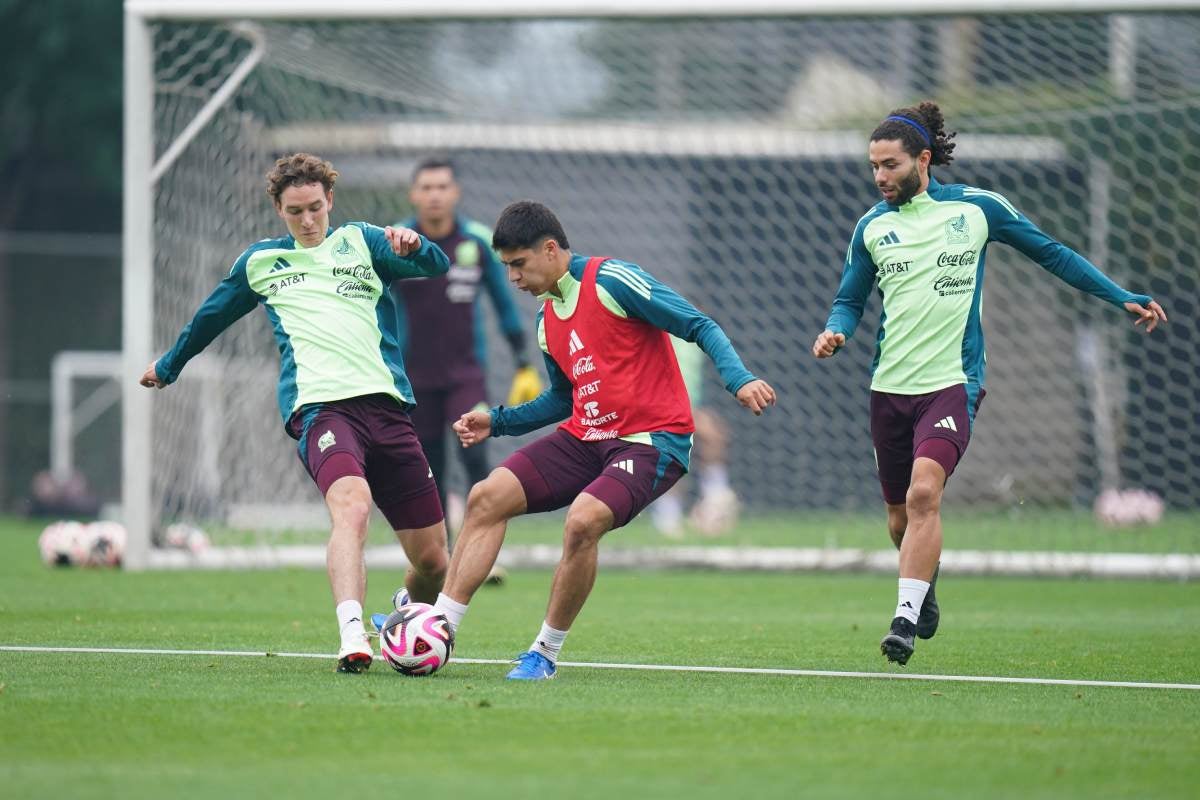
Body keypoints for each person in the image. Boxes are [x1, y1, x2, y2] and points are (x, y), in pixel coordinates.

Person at [811, 101, 1168, 667]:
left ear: (923, 160)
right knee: (900, 518)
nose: (879, 177)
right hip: (889, 388)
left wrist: (1119, 295)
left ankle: (903, 620)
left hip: (953, 382)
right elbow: (849, 298)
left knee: (925, 494)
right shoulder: (872, 227)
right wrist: (835, 331)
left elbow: (1052, 254)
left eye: (890, 165)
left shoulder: (978, 209)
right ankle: (924, 582)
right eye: (874, 166)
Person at [429, 200, 776, 681]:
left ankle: (544, 653)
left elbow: (699, 324)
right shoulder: (546, 318)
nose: (512, 277)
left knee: (582, 521)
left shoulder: (612, 280)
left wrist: (737, 379)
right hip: (586, 436)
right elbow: (562, 400)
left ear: (550, 250)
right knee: (486, 497)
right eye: (506, 266)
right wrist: (498, 421)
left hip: (650, 442)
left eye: (518, 264)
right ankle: (438, 627)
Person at [139, 153, 453, 674]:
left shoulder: (365, 242)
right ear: (278, 210)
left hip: (388, 409)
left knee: (433, 561)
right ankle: (352, 634)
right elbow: (210, 317)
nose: (307, 220)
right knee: (351, 507)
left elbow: (437, 267)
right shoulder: (261, 262)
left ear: (330, 200)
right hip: (321, 411)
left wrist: (417, 244)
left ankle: (400, 614)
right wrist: (169, 366)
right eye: (294, 212)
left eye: (314, 208)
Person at [391, 158, 541, 536]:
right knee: (429, 469)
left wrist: (524, 361)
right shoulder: (395, 244)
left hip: (466, 375)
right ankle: (442, 556)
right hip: (413, 379)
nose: (435, 195)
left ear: (455, 192)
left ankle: (483, 548)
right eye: (427, 188)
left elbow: (504, 305)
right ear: (413, 195)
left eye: (442, 187)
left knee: (474, 455)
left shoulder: (476, 240)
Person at [649, 336, 740, 538]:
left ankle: (715, 500)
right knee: (673, 450)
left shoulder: (693, 335)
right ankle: (667, 516)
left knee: (713, 436)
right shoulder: (653, 332)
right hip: (659, 408)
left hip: (687, 407)